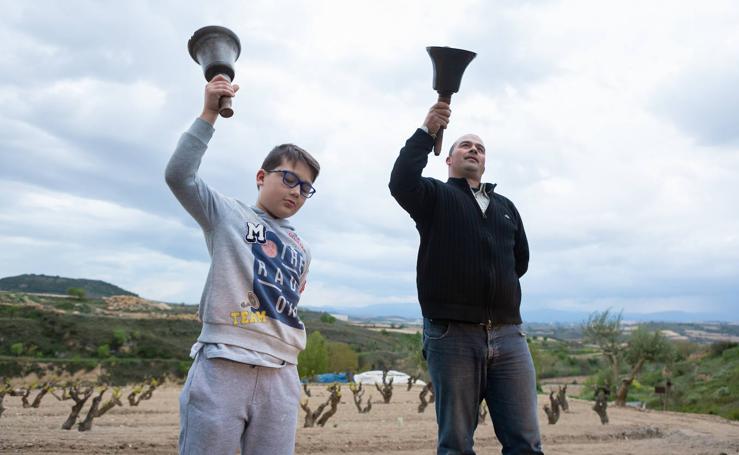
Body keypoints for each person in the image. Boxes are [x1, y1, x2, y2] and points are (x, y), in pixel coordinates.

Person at [166, 74, 320, 455]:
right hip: (224, 363)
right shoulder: (226, 213)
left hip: (283, 373)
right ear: (261, 176)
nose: (296, 192)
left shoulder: (302, 247)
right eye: (289, 179)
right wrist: (208, 114)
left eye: (305, 187)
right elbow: (179, 176)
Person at [389, 102, 543, 455]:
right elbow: (401, 182)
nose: (474, 149)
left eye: (480, 147)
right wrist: (427, 132)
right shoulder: (435, 196)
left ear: (485, 162)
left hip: (509, 334)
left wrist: (491, 287)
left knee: (526, 442)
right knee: (456, 443)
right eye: (465, 145)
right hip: (452, 334)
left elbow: (519, 261)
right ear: (449, 159)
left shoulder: (506, 206)